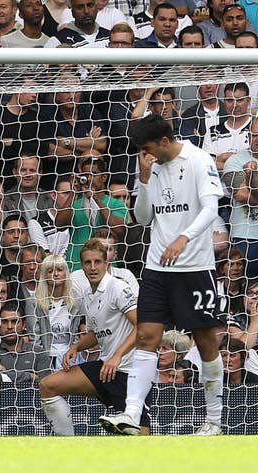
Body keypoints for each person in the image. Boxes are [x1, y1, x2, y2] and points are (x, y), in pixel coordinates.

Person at [98, 113, 225, 436]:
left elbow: (211, 208)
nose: (146, 153)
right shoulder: (151, 167)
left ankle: (213, 420)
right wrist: (142, 179)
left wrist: (184, 238)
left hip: (194, 268)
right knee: (146, 337)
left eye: (148, 147)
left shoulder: (198, 160)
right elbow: (142, 218)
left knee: (206, 343)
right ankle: (131, 414)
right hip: (157, 269)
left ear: (165, 141)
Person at [39, 239, 141, 436]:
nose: (93, 267)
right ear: (82, 266)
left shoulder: (118, 288)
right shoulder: (87, 294)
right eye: (87, 262)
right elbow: (96, 333)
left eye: (97, 262)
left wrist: (117, 356)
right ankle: (68, 448)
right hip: (105, 368)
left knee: (141, 445)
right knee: (48, 385)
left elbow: (142, 327)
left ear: (106, 263)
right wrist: (76, 347)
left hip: (128, 373)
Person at [222, 117, 258, 278]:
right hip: (245, 235)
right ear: (248, 136)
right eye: (255, 134)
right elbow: (242, 195)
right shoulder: (235, 161)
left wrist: (250, 176)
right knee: (246, 287)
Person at [34, 254, 81, 370]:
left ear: (66, 273)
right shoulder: (35, 301)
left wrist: (72, 354)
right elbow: (34, 336)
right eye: (50, 271)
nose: (55, 274)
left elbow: (78, 331)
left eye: (59, 270)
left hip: (71, 357)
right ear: (44, 275)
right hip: (45, 358)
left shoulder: (76, 299)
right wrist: (43, 360)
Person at [0, 302, 50, 382]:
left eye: (15, 321)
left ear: (24, 325)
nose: (9, 327)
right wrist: (30, 376)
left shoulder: (38, 353)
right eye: (4, 322)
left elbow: (47, 384)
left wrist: (5, 374)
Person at [45, 0, 110, 47]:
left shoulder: (110, 37)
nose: (86, 11)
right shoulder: (57, 41)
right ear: (72, 12)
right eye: (80, 7)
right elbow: (42, 65)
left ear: (96, 8)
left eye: (90, 5)